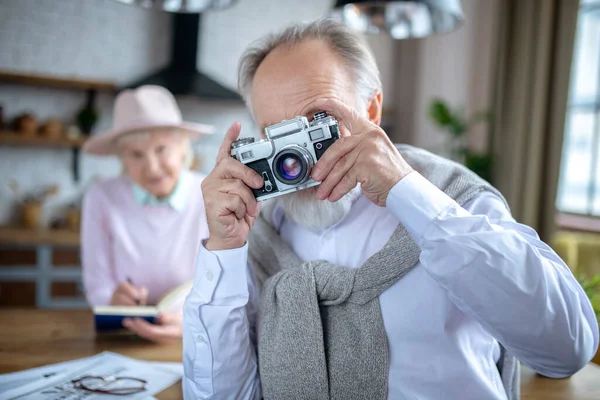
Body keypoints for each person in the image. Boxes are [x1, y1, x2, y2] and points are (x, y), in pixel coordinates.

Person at [182, 20, 599, 399]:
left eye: (316, 122)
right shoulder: (256, 236)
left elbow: (566, 349)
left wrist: (409, 195)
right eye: (276, 135)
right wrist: (223, 248)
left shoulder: (454, 197)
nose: (297, 158)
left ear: (371, 111)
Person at [81, 85, 213, 344]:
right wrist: (112, 299)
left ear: (182, 148)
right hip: (125, 336)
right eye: (136, 154)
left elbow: (230, 284)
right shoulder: (101, 197)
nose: (152, 167)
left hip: (197, 336)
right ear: (122, 158)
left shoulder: (210, 193)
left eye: (161, 149)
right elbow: (97, 284)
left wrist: (193, 323)